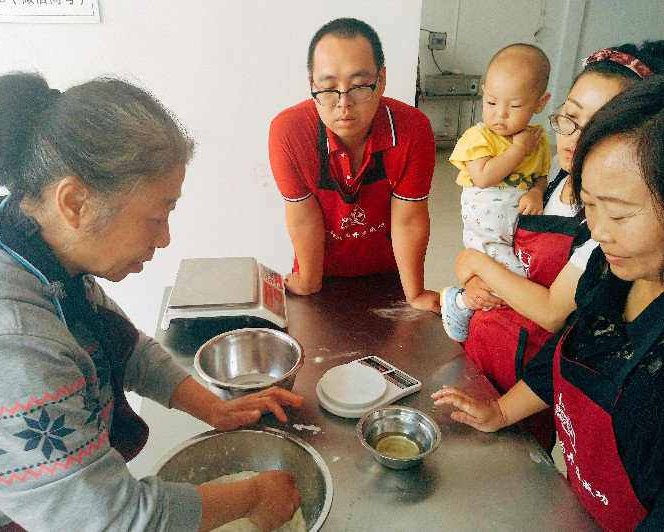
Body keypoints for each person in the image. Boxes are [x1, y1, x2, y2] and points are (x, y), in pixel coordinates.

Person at [0, 73, 304, 532]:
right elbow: (111, 520)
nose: (164, 238)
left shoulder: (30, 242)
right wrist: (254, 496)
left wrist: (213, 407)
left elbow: (122, 344)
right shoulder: (6, 345)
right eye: (156, 217)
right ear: (75, 201)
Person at [433, 74, 664, 532]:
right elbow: (566, 356)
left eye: (617, 212)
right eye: (589, 206)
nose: (596, 232)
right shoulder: (610, 274)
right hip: (578, 507)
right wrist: (500, 412)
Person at [268, 17, 439, 312]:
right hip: (320, 272)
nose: (343, 103)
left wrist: (414, 294)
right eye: (329, 87)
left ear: (381, 79)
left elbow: (408, 220)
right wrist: (309, 281)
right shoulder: (288, 132)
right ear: (312, 84)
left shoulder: (413, 129)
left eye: (359, 86)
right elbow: (304, 217)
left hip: (387, 276)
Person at [440, 43, 552, 342]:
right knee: (511, 279)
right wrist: (518, 149)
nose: (500, 115)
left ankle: (484, 314)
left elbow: (541, 176)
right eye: (491, 102)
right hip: (486, 227)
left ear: (540, 103)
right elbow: (484, 177)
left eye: (514, 107)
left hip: (518, 223)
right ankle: (460, 303)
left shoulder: (537, 139)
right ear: (484, 91)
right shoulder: (478, 136)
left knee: (518, 275)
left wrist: (537, 193)